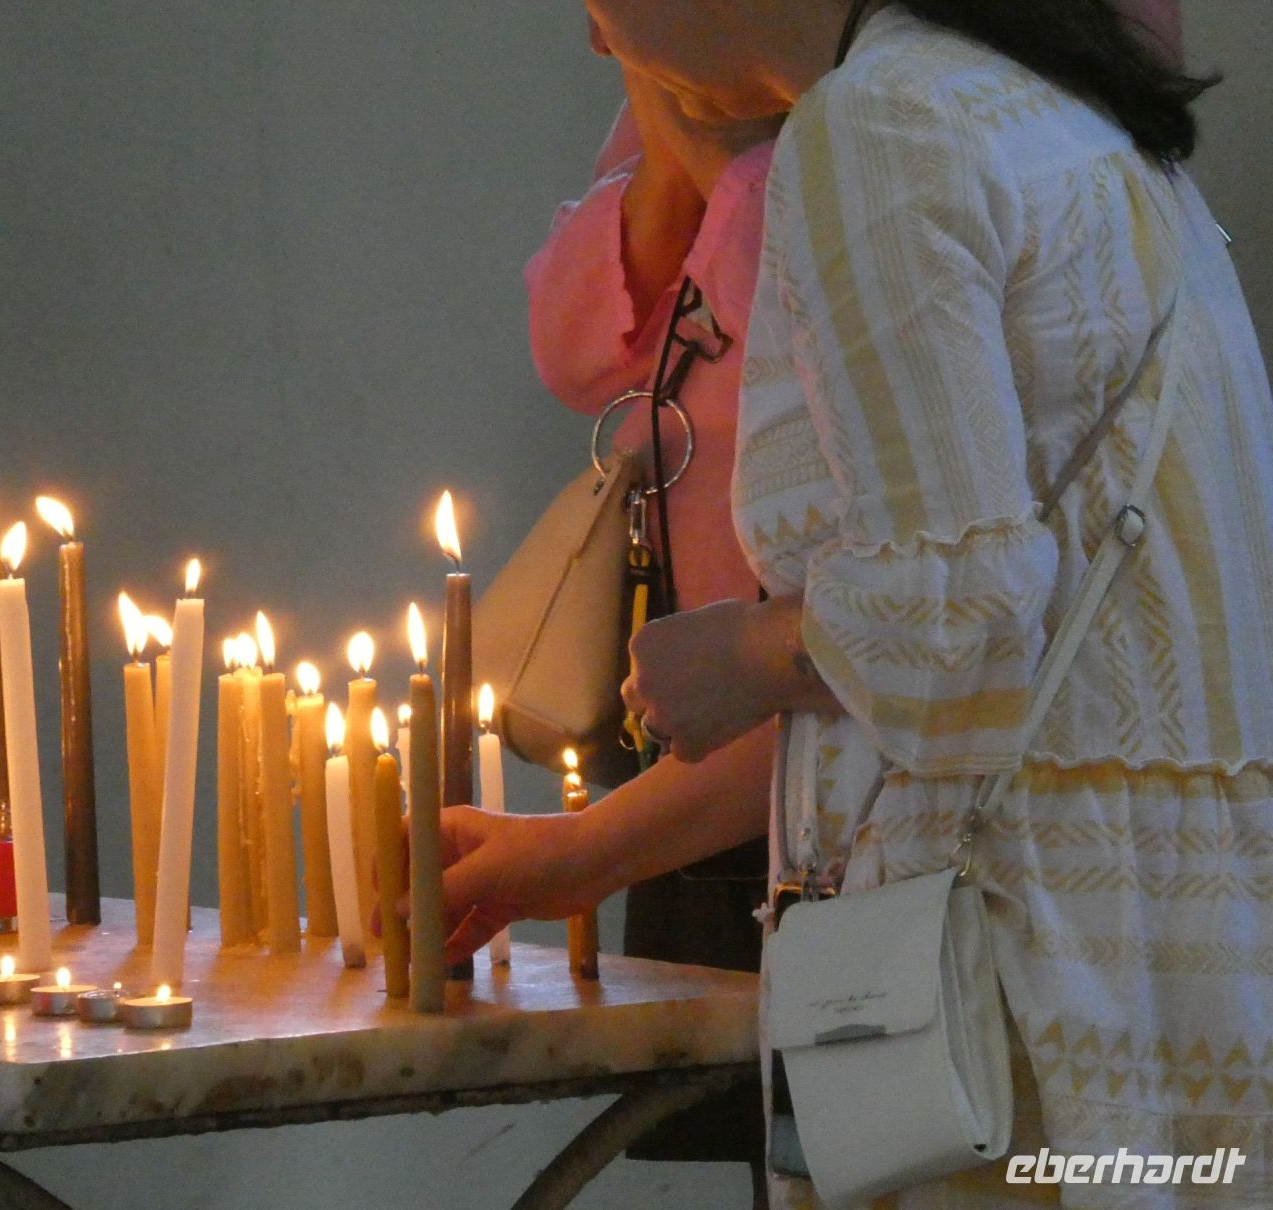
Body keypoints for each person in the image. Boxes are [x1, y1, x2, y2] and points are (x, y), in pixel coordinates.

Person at [439, 0, 1264, 1204]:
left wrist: (746, 652)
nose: (595, 33)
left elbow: (957, 625)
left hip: (1008, 999)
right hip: (1167, 973)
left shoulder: (877, 123)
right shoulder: (1061, 111)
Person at [524, 19, 782, 1182]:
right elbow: (576, 345)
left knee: (869, 1106)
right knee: (735, 1102)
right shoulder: (680, 114)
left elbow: (758, 266)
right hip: (698, 720)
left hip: (823, 722)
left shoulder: (862, 142)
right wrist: (660, 87)